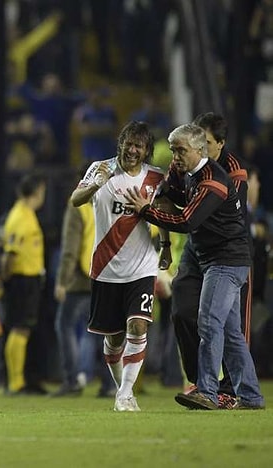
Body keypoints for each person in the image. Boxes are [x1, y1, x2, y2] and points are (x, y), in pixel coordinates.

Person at [125, 123, 265, 410]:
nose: (175, 156)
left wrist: (145, 211)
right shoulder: (183, 173)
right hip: (209, 257)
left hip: (227, 259)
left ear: (201, 151)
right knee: (230, 333)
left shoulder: (213, 180)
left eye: (181, 150)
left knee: (209, 322)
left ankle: (208, 391)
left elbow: (186, 222)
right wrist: (163, 242)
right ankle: (251, 396)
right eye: (173, 149)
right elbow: (165, 196)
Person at [70, 121, 169, 412]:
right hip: (106, 268)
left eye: (139, 146)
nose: (133, 150)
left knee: (137, 326)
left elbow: (161, 212)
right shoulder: (100, 168)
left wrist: (164, 246)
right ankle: (121, 389)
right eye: (129, 143)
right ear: (121, 143)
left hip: (142, 267)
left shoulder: (155, 178)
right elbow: (76, 200)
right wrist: (94, 186)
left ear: (146, 150)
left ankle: (125, 393)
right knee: (113, 339)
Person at [167, 113, 251, 408]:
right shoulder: (186, 165)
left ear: (215, 145)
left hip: (226, 252)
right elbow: (170, 192)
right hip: (201, 248)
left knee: (217, 324)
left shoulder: (228, 174)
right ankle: (245, 393)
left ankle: (215, 390)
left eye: (207, 142)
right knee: (194, 316)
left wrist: (147, 211)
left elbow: (194, 219)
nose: (178, 155)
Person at [52, 170, 113, 398]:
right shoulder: (108, 202)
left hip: (79, 280)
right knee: (103, 331)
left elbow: (70, 247)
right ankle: (109, 384)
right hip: (105, 276)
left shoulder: (78, 205)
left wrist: (62, 280)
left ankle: (72, 380)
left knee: (65, 326)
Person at [1, 171, 47, 395]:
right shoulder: (19, 217)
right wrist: (6, 280)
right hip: (22, 280)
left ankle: (22, 380)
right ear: (37, 192)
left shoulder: (26, 213)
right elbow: (9, 254)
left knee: (24, 329)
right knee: (20, 328)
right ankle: (16, 382)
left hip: (29, 279)